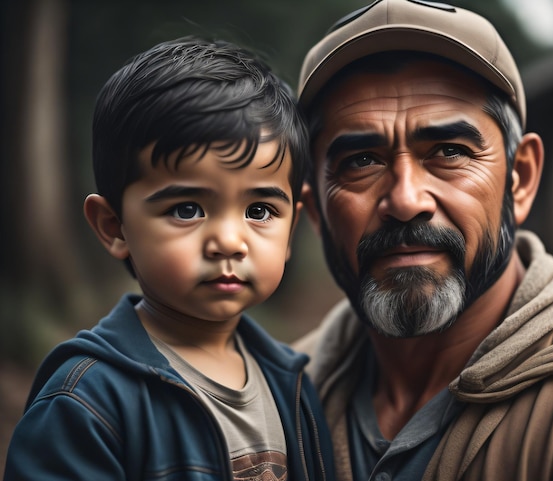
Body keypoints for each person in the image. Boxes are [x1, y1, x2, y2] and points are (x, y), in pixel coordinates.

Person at [294, 1, 553, 480]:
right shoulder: (274, 399)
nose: (406, 200)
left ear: (521, 180)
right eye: (362, 160)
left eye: (450, 152)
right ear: (315, 211)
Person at [4, 37, 335, 481]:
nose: (229, 241)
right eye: (187, 209)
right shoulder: (87, 400)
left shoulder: (291, 385)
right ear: (114, 227)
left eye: (259, 211)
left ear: (291, 228)